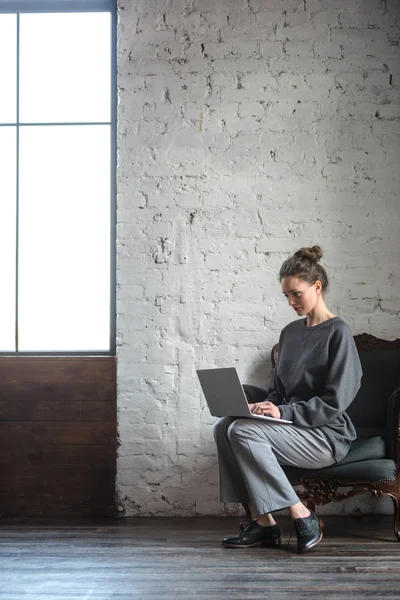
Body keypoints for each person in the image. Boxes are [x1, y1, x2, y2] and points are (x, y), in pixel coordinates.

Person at [213, 245, 363, 553]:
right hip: (291, 429)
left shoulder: (339, 332)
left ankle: (301, 514)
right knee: (224, 427)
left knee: (241, 431)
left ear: (317, 287)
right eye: (287, 296)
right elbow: (277, 391)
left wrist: (283, 413)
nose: (291, 302)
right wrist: (261, 406)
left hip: (324, 435)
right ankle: (264, 523)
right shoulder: (290, 333)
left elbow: (336, 401)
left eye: (296, 294)